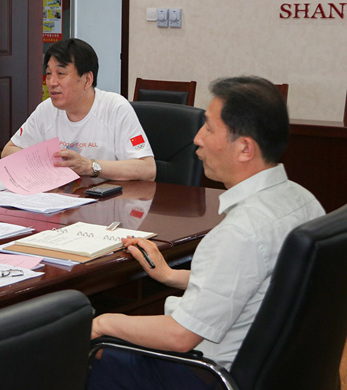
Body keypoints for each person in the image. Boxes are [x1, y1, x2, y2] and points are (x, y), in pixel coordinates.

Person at [87, 76, 325, 390]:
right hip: (279, 370)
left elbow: (180, 336)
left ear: (245, 148)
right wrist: (171, 275)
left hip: (208, 374)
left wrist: (103, 322)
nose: (197, 138)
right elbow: (256, 282)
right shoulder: (305, 201)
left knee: (93, 353)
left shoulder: (241, 231)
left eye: (209, 128)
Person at [2, 38, 156, 181]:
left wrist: (90, 166)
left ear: (87, 80)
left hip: (106, 198)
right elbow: (8, 152)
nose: (51, 82)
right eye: (48, 74)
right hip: (59, 197)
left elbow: (148, 169)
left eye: (61, 74)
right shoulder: (46, 109)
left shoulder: (115, 108)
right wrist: (47, 163)